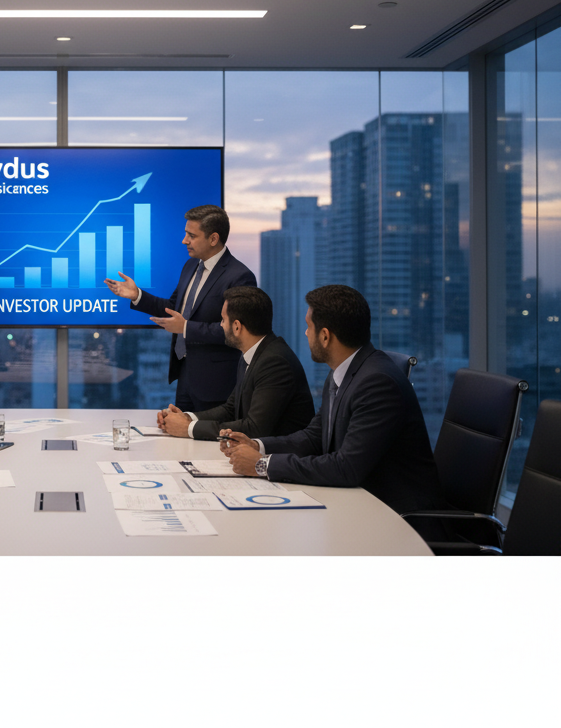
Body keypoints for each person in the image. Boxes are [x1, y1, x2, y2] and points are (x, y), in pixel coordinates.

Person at [219, 284, 447, 517]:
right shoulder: (343, 370)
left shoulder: (377, 383)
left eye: (309, 327)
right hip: (358, 504)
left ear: (325, 336)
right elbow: (314, 436)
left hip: (401, 519)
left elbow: (346, 467)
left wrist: (263, 465)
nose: (306, 333)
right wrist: (257, 445)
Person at [104, 204, 255, 411]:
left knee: (209, 441)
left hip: (217, 386)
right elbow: (173, 308)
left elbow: (236, 332)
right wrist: (137, 295)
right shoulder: (190, 266)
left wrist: (185, 328)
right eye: (186, 234)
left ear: (213, 239)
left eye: (191, 236)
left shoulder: (240, 276)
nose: (185, 241)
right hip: (185, 377)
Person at [157, 286, 314, 440]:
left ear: (237, 326)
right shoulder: (253, 353)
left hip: (281, 458)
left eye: (223, 320)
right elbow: (231, 409)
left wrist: (188, 428)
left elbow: (255, 428)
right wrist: (186, 418)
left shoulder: (275, 362)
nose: (221, 325)